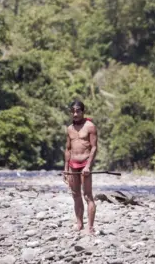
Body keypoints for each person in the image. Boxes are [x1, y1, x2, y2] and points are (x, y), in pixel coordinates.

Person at [63, 100, 98, 235]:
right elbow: (68, 149)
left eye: (78, 111)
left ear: (83, 112)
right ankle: (79, 224)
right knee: (75, 195)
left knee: (87, 195)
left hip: (85, 164)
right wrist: (66, 168)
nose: (75, 114)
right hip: (72, 165)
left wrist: (88, 165)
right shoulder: (69, 129)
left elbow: (94, 147)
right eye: (73, 111)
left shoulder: (90, 126)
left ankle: (90, 227)